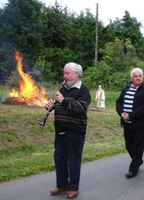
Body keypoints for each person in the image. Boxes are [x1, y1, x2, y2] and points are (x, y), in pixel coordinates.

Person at [47, 62, 91, 199]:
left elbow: (81, 108)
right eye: (64, 73)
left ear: (76, 74)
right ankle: (62, 185)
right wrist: (51, 106)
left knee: (73, 160)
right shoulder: (63, 89)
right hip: (60, 130)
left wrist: (63, 100)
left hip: (75, 131)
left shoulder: (83, 90)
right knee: (59, 159)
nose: (64, 76)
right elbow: (61, 105)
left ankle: (73, 188)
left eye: (67, 73)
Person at [116, 68, 144, 179]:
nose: (138, 78)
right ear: (131, 78)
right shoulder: (125, 90)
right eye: (136, 76)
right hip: (127, 124)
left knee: (137, 147)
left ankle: (133, 169)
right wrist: (121, 112)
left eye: (140, 76)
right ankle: (138, 161)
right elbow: (118, 102)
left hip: (139, 125)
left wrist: (131, 115)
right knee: (129, 146)